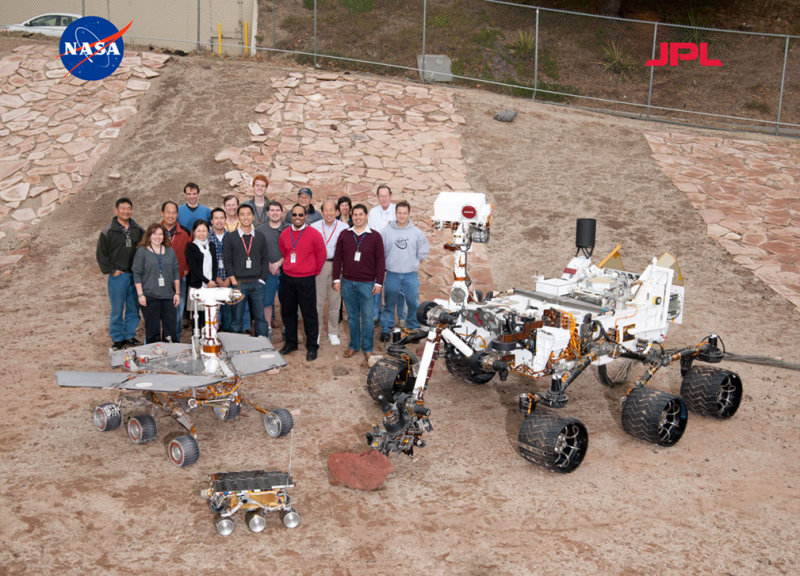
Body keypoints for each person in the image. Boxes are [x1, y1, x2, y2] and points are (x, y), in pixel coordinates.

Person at [333, 204, 385, 362]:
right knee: (353, 317)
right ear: (352, 217)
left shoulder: (375, 236)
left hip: (368, 284)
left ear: (366, 215)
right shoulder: (344, 234)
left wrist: (379, 283)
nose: (357, 217)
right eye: (354, 215)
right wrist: (336, 278)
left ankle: (368, 348)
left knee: (368, 318)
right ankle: (354, 346)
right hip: (348, 282)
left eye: (360, 214)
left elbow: (380, 260)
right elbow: (337, 258)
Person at [278, 204, 326, 361]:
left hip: (306, 279)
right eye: (295, 215)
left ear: (306, 216)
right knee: (288, 313)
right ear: (291, 216)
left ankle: (312, 347)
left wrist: (312, 271)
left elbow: (321, 255)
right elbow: (284, 251)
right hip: (288, 278)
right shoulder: (285, 233)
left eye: (300, 215)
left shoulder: (314, 234)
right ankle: (291, 343)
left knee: (309, 314)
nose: (297, 218)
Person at [96, 197, 144, 350]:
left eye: (128, 208)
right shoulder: (107, 231)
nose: (126, 211)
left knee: (133, 307)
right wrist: (111, 270)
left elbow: (144, 250)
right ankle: (117, 337)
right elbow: (101, 254)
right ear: (116, 210)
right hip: (118, 276)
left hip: (134, 276)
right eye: (122, 208)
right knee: (117, 308)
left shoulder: (138, 230)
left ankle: (129, 335)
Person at [379, 200, 429, 341]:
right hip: (392, 274)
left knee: (413, 303)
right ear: (395, 214)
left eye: (404, 213)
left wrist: (411, 264)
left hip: (410, 274)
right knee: (389, 303)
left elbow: (423, 253)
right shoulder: (387, 232)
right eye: (399, 213)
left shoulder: (417, 233)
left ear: (409, 214)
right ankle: (386, 328)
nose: (402, 216)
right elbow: (381, 252)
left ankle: (413, 328)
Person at [223, 204, 270, 337]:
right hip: (239, 283)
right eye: (242, 214)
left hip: (257, 283)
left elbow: (265, 259)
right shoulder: (231, 237)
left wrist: (262, 279)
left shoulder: (260, 237)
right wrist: (232, 279)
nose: (246, 217)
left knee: (260, 317)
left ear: (253, 216)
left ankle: (263, 344)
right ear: (238, 217)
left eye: (248, 214)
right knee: (236, 319)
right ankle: (236, 347)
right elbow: (227, 260)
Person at [132, 223, 180, 344]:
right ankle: (153, 356)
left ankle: (170, 354)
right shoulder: (142, 252)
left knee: (170, 329)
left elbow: (175, 272)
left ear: (164, 236)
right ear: (149, 236)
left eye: (160, 234)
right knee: (152, 329)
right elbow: (137, 273)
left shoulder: (170, 251)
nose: (157, 237)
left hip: (168, 295)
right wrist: (140, 295)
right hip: (150, 295)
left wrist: (177, 293)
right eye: (154, 234)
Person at [311, 199, 348, 346]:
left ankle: (333, 332)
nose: (329, 213)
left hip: (336, 267)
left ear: (337, 211)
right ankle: (317, 332)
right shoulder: (313, 227)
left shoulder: (344, 228)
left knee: (335, 301)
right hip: (319, 267)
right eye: (326, 210)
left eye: (332, 210)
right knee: (317, 302)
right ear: (322, 212)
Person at [161, 201, 191, 342]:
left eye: (174, 212)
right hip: (159, 281)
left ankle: (176, 339)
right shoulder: (154, 231)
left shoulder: (185, 233)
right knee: (161, 312)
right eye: (168, 212)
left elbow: (191, 253)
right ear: (163, 213)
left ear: (177, 214)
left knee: (178, 312)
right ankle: (163, 340)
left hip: (179, 279)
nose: (171, 215)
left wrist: (186, 269)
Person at [255, 201, 287, 331]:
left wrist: (279, 263)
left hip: (285, 272)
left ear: (281, 212)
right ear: (267, 213)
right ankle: (266, 329)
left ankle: (287, 329)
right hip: (266, 272)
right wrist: (268, 264)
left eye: (277, 210)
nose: (275, 213)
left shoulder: (288, 228)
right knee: (267, 302)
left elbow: (292, 250)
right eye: (272, 210)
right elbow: (257, 250)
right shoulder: (260, 230)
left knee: (287, 302)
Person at [368, 184, 396, 324]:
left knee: (391, 286)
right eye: (381, 196)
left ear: (390, 196)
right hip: (376, 253)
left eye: (386, 196)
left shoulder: (397, 210)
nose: (384, 199)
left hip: (394, 253)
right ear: (378, 197)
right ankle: (375, 314)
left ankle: (388, 316)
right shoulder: (373, 212)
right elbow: (372, 233)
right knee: (376, 283)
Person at [185, 220, 219, 322]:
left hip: (211, 285)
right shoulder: (191, 247)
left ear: (208, 232)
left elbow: (215, 264)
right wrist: (207, 281)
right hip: (197, 285)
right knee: (197, 316)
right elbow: (193, 268)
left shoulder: (211, 245)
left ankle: (209, 337)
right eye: (198, 231)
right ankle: (197, 336)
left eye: (204, 231)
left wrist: (212, 281)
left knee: (209, 315)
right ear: (194, 232)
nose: (201, 234)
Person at [209, 207, 233, 331]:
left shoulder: (231, 237)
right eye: (216, 218)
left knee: (228, 314)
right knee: (213, 315)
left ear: (225, 219)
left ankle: (228, 339)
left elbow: (235, 259)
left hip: (229, 281)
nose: (219, 221)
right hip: (212, 283)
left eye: (222, 218)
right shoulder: (207, 238)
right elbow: (204, 264)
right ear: (212, 221)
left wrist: (228, 279)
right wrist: (217, 279)